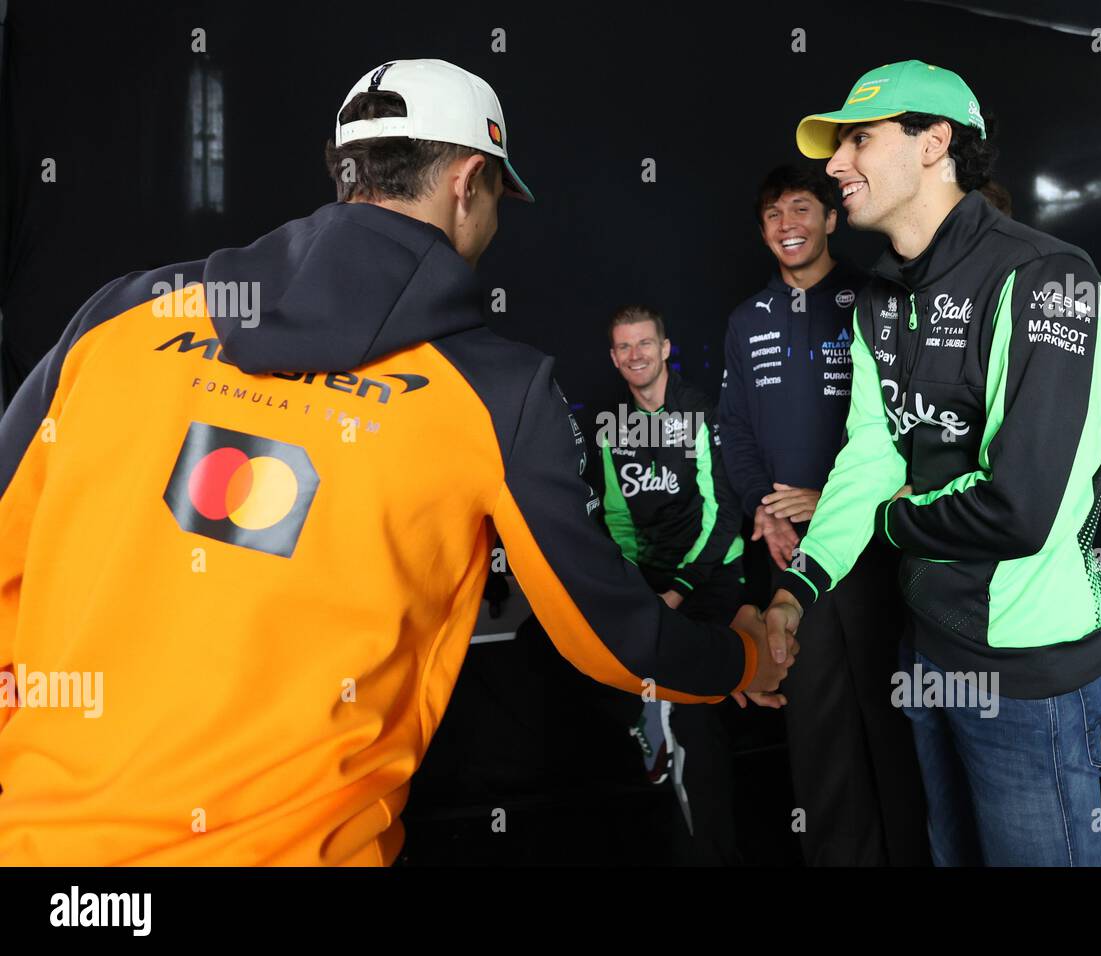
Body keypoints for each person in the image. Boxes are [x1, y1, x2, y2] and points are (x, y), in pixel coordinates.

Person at [0, 58, 791, 866]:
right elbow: (612, 636)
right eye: (496, 200)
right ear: (468, 180)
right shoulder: (498, 392)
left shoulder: (124, 314)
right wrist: (744, 654)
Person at [764, 59, 1101, 866]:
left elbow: (1017, 508)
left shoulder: (1049, 278)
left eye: (860, 138)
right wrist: (796, 592)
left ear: (935, 142)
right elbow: (869, 453)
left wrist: (893, 514)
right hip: (926, 652)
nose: (835, 165)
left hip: (1029, 674)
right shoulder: (881, 301)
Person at [719, 165, 928, 865]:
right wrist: (765, 512)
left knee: (893, 707)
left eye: (802, 209)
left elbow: (902, 429)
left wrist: (832, 501)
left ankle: (914, 850)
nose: (788, 226)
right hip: (782, 555)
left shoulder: (875, 299)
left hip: (870, 544)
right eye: (773, 214)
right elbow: (734, 433)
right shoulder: (746, 320)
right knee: (817, 721)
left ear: (832, 219)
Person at [595, 305, 750, 864]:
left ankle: (714, 849)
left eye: (645, 344)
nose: (635, 355)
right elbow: (616, 517)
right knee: (613, 684)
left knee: (696, 717)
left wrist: (677, 592)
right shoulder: (612, 425)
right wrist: (633, 588)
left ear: (665, 348)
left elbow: (724, 515)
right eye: (623, 347)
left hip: (709, 579)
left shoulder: (700, 412)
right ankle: (652, 729)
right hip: (655, 583)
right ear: (614, 358)